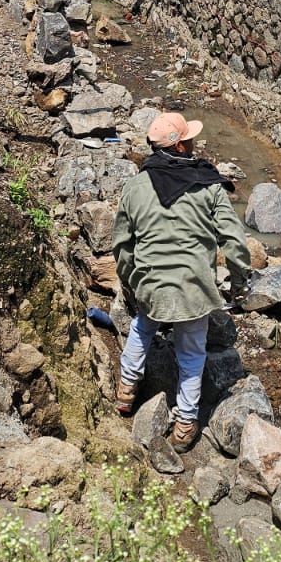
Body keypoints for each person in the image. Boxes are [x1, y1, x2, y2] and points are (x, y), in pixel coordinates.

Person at [112, 111, 252, 452]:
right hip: (194, 290)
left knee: (143, 327)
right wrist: (239, 282)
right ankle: (185, 425)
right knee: (191, 353)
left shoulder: (136, 186)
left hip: (152, 285)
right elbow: (233, 241)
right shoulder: (209, 185)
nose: (194, 143)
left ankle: (126, 390)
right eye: (189, 138)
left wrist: (133, 283)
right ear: (180, 145)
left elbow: (122, 246)